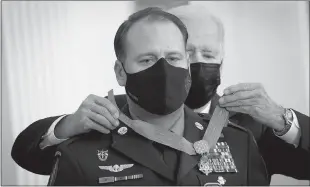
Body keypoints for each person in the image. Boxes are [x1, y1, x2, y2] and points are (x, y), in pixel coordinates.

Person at [11, 4, 309, 183]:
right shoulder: (106, 117)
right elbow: (30, 153)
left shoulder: (249, 127)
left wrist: (285, 121)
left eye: (207, 52)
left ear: (222, 59)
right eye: (187, 51)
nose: (190, 62)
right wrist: (65, 127)